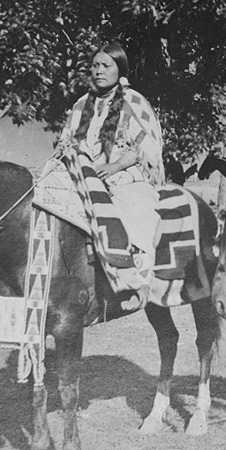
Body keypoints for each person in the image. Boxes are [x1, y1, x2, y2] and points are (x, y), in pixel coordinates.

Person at [57, 42, 164, 309]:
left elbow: (147, 146)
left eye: (106, 66)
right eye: (95, 65)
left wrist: (114, 166)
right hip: (82, 175)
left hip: (123, 176)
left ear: (120, 70)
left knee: (136, 210)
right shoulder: (81, 104)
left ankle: (135, 277)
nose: (99, 71)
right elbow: (65, 141)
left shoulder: (134, 101)